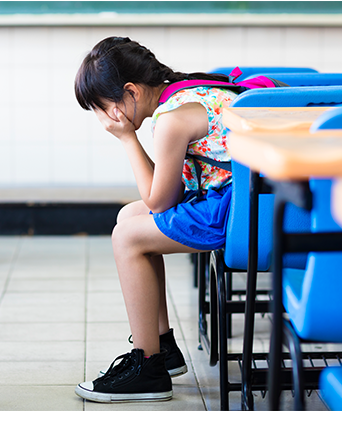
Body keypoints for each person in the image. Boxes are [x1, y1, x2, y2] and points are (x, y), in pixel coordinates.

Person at [74, 36, 237, 404]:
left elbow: (161, 201)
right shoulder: (188, 91)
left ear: (130, 91)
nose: (102, 120)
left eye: (102, 107)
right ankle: (162, 347)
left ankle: (148, 368)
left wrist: (127, 139)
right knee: (128, 216)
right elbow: (166, 194)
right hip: (249, 198)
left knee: (127, 237)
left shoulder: (170, 120)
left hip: (238, 210)